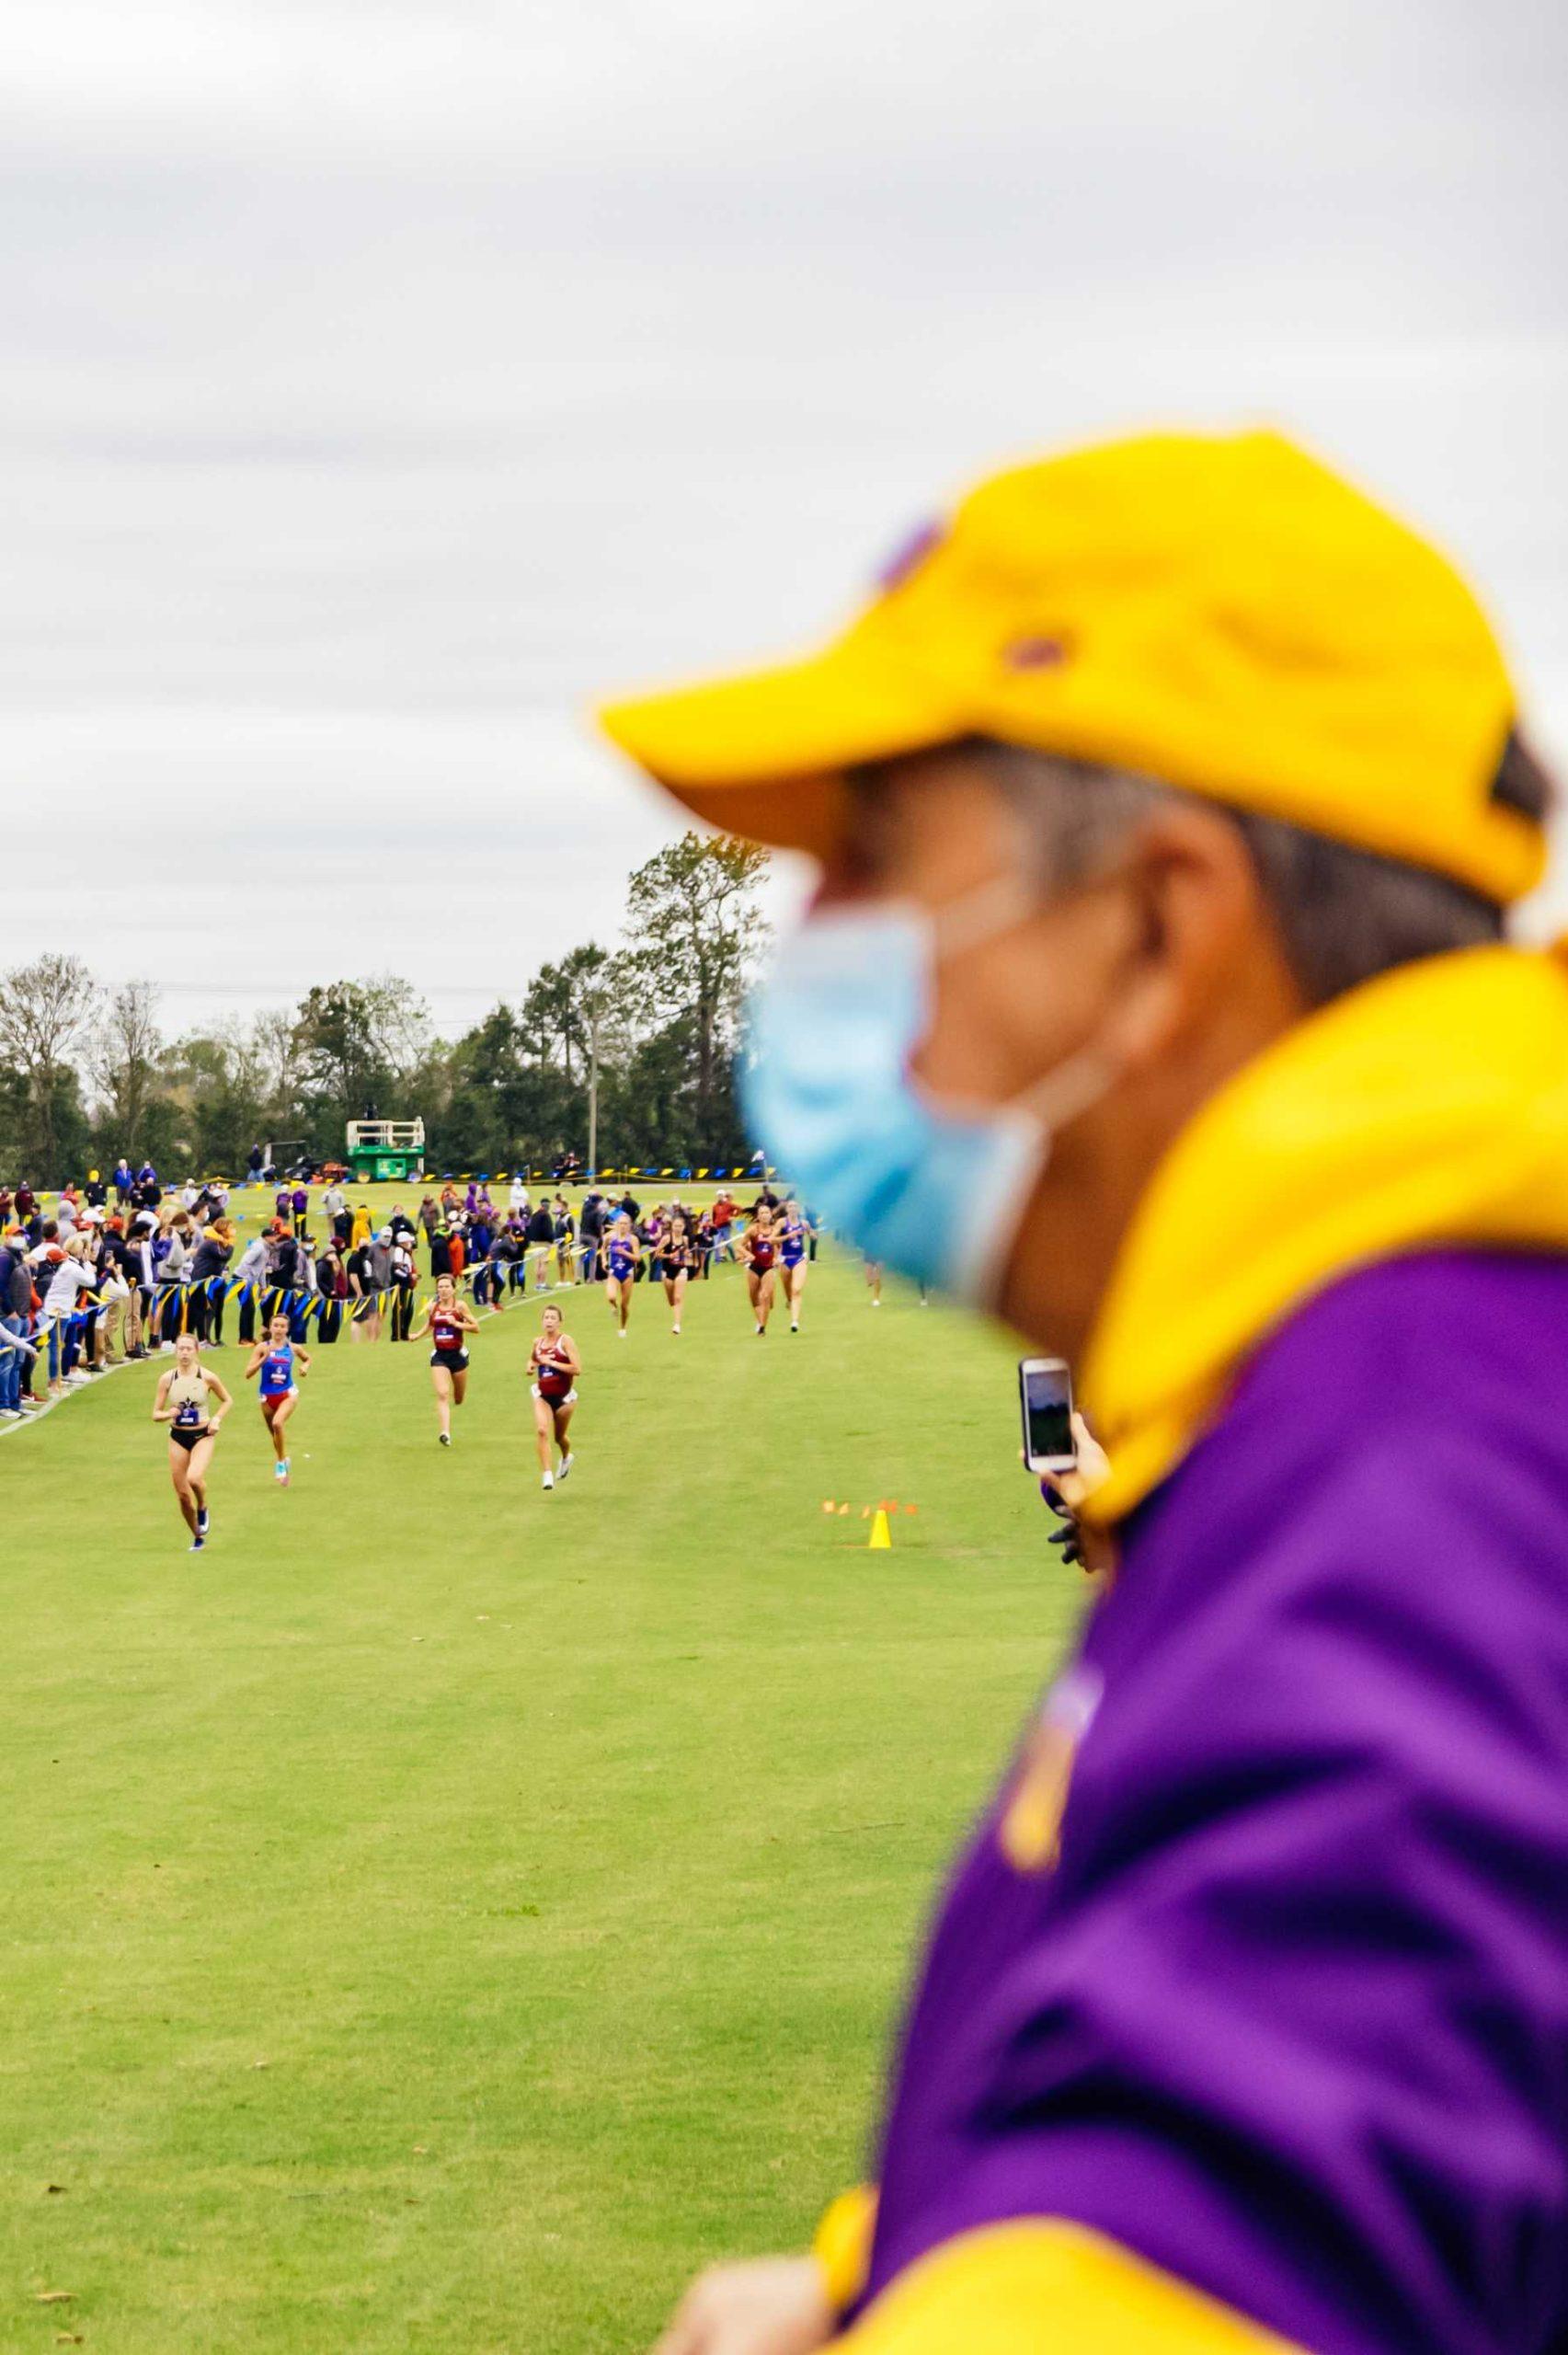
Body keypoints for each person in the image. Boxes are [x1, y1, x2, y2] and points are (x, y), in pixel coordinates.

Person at [602, 429, 1568, 2355]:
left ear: (1156, 928)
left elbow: (1245, 2235)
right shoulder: (1353, 1387)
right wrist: (896, 2271)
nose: (811, 947)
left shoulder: (1425, 1445)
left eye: (872, 854)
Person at [153, 1332, 232, 1551]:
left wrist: (216, 1419)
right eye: (181, 1349)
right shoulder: (167, 1378)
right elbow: (155, 1414)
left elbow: (227, 1400)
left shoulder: (207, 1376)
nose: (184, 1353)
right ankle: (197, 1536)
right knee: (182, 1496)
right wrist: (170, 1413)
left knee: (195, 1478)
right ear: (175, 1351)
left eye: (189, 1349)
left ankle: (203, 1506)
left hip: (202, 1434)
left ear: (197, 1351)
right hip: (178, 1436)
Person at [409, 1272, 479, 1446]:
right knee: (442, 1393)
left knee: (458, 1398)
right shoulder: (433, 1307)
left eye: (447, 1286)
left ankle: (457, 1400)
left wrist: (456, 1324)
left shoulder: (460, 1306)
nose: (443, 1290)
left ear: (454, 1289)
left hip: (458, 1356)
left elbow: (476, 1327)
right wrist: (417, 1335)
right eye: (440, 1287)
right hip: (440, 1355)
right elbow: (430, 1324)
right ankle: (445, 1433)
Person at [245, 1311, 310, 1485]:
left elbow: (307, 1359)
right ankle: (284, 1459)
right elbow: (248, 1374)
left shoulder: (293, 1348)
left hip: (287, 1394)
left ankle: (280, 1464)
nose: (279, 1329)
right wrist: (264, 1358)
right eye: (276, 1325)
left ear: (287, 1329)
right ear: (271, 1327)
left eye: (282, 1326)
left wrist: (305, 1368)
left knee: (277, 1423)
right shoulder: (261, 1348)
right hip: (266, 1397)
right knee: (275, 1435)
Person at [527, 1302, 581, 1490]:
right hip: (543, 1395)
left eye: (553, 1318)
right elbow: (533, 1359)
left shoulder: (565, 1341)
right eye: (546, 1317)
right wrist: (531, 1365)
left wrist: (553, 1363)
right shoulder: (538, 1342)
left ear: (559, 1322)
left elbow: (577, 1369)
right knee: (542, 1430)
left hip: (565, 1398)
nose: (549, 1321)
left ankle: (566, 1457)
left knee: (559, 1438)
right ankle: (547, 1474)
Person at [737, 1201, 778, 1336]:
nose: (765, 1215)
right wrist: (748, 1255)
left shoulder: (775, 1230)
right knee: (754, 1298)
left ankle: (762, 1328)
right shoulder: (753, 1230)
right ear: (758, 1216)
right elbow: (739, 1246)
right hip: (754, 1268)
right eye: (762, 1213)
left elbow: (778, 1247)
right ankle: (760, 1322)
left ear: (771, 1215)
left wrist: (776, 1258)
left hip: (768, 1268)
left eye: (767, 1212)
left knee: (765, 1297)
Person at [602, 1210, 640, 1337]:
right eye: (621, 1223)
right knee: (611, 1297)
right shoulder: (610, 1237)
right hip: (613, 1272)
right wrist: (603, 1261)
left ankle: (623, 1327)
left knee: (624, 1305)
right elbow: (602, 1249)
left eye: (625, 1223)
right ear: (617, 1224)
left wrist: (624, 1253)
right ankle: (614, 1306)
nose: (623, 1226)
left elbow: (638, 1258)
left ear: (629, 1225)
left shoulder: (632, 1240)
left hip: (628, 1273)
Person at [658, 1207, 694, 1335]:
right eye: (675, 1226)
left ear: (683, 1227)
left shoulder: (685, 1239)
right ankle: (675, 1313)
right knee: (671, 1300)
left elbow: (685, 1252)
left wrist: (687, 1253)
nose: (678, 1228)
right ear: (672, 1226)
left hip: (681, 1269)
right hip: (667, 1271)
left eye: (680, 1226)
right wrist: (669, 1256)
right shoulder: (666, 1239)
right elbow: (657, 1254)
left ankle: (677, 1325)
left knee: (678, 1297)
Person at [777, 1196, 811, 1331]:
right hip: (784, 1259)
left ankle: (794, 1322)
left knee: (796, 1289)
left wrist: (813, 1235)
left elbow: (811, 1234)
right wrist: (786, 1237)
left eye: (795, 1206)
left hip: (799, 1258)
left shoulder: (804, 1223)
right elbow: (773, 1239)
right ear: (786, 1209)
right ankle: (789, 1300)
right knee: (788, 1288)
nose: (793, 1209)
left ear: (798, 1209)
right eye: (790, 1206)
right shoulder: (781, 1223)